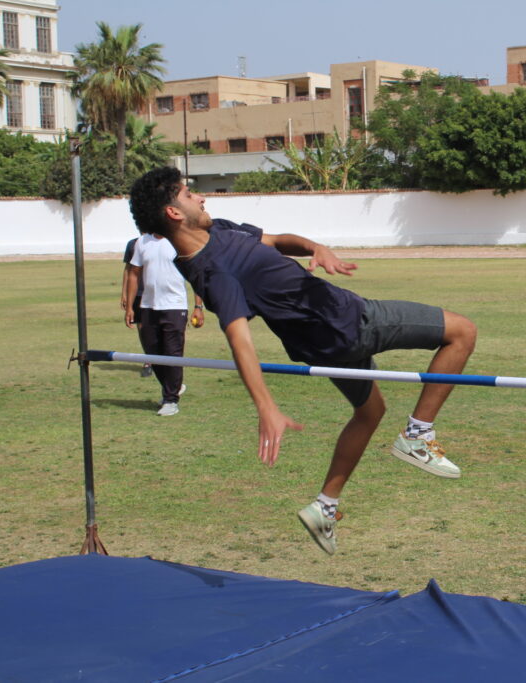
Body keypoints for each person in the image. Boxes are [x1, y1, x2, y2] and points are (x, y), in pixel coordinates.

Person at [127, 166, 477, 556]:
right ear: (174, 212)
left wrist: (313, 247)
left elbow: (277, 241)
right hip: (350, 322)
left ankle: (325, 506)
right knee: (462, 331)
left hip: (324, 345)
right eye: (189, 194)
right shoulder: (213, 272)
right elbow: (239, 340)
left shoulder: (219, 229)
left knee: (370, 412)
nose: (201, 196)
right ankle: (417, 435)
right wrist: (266, 407)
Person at [124, 230, 205, 415]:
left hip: (175, 306)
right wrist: (130, 307)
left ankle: (170, 400)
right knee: (152, 353)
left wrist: (198, 306)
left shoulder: (179, 240)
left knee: (172, 352)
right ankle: (174, 387)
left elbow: (196, 275)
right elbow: (133, 274)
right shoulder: (142, 242)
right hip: (148, 306)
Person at [120, 238, 152, 377]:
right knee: (142, 328)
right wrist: (124, 293)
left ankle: (159, 359)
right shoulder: (133, 244)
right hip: (138, 293)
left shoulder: (160, 241)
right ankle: (149, 360)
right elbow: (128, 269)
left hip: (155, 293)